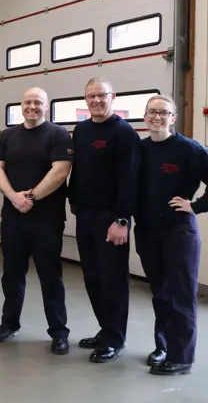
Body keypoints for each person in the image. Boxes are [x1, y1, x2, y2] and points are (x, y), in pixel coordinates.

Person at [0, 87, 73, 355]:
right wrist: (13, 196)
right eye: (27, 102)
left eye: (38, 102)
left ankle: (59, 332)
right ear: (21, 105)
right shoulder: (7, 135)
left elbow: (60, 171)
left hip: (46, 220)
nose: (32, 106)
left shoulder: (58, 135)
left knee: (51, 276)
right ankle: (9, 323)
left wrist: (31, 197)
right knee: (12, 275)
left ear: (46, 106)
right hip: (13, 218)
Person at [68, 77, 140, 363]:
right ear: (85, 99)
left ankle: (115, 339)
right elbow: (78, 170)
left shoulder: (124, 133)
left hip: (111, 218)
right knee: (93, 277)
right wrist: (74, 201)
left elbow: (130, 179)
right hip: (85, 214)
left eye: (102, 95)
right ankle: (105, 329)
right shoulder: (82, 130)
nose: (96, 101)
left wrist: (122, 219)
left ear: (113, 97)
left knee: (113, 279)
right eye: (91, 96)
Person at [135, 95, 208, 376]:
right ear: (145, 116)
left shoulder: (189, 149)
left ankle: (182, 357)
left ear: (173, 118)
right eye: (152, 112)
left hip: (179, 231)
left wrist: (195, 206)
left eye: (164, 112)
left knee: (181, 294)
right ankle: (163, 347)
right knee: (161, 293)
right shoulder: (140, 150)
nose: (157, 117)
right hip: (147, 230)